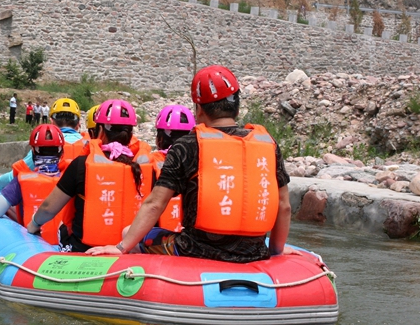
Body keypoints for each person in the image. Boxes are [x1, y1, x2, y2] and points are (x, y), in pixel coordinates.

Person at [87, 65, 292, 262]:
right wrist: (275, 253)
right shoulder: (268, 144)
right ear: (237, 108)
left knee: (127, 233)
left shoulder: (187, 146)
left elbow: (155, 204)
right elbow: (284, 207)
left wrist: (121, 247)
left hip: (195, 250)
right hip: (253, 252)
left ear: (199, 110)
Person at [26, 99, 154, 253]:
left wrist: (34, 224)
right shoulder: (146, 168)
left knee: (62, 226)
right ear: (131, 133)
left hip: (84, 249)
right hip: (127, 249)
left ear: (99, 130)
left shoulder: (81, 164)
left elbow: (48, 208)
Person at [0, 124, 73, 244]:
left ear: (33, 151)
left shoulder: (22, 180)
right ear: (61, 151)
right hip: (67, 244)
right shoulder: (73, 177)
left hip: (33, 244)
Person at [0, 97, 86, 194]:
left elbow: (16, 174)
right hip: (81, 204)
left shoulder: (44, 145)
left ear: (51, 122)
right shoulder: (91, 145)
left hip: (50, 202)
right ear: (78, 124)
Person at [136, 104, 196, 252]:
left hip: (168, 242)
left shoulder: (146, 165)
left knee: (127, 232)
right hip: (192, 238)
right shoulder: (200, 163)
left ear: (158, 140)